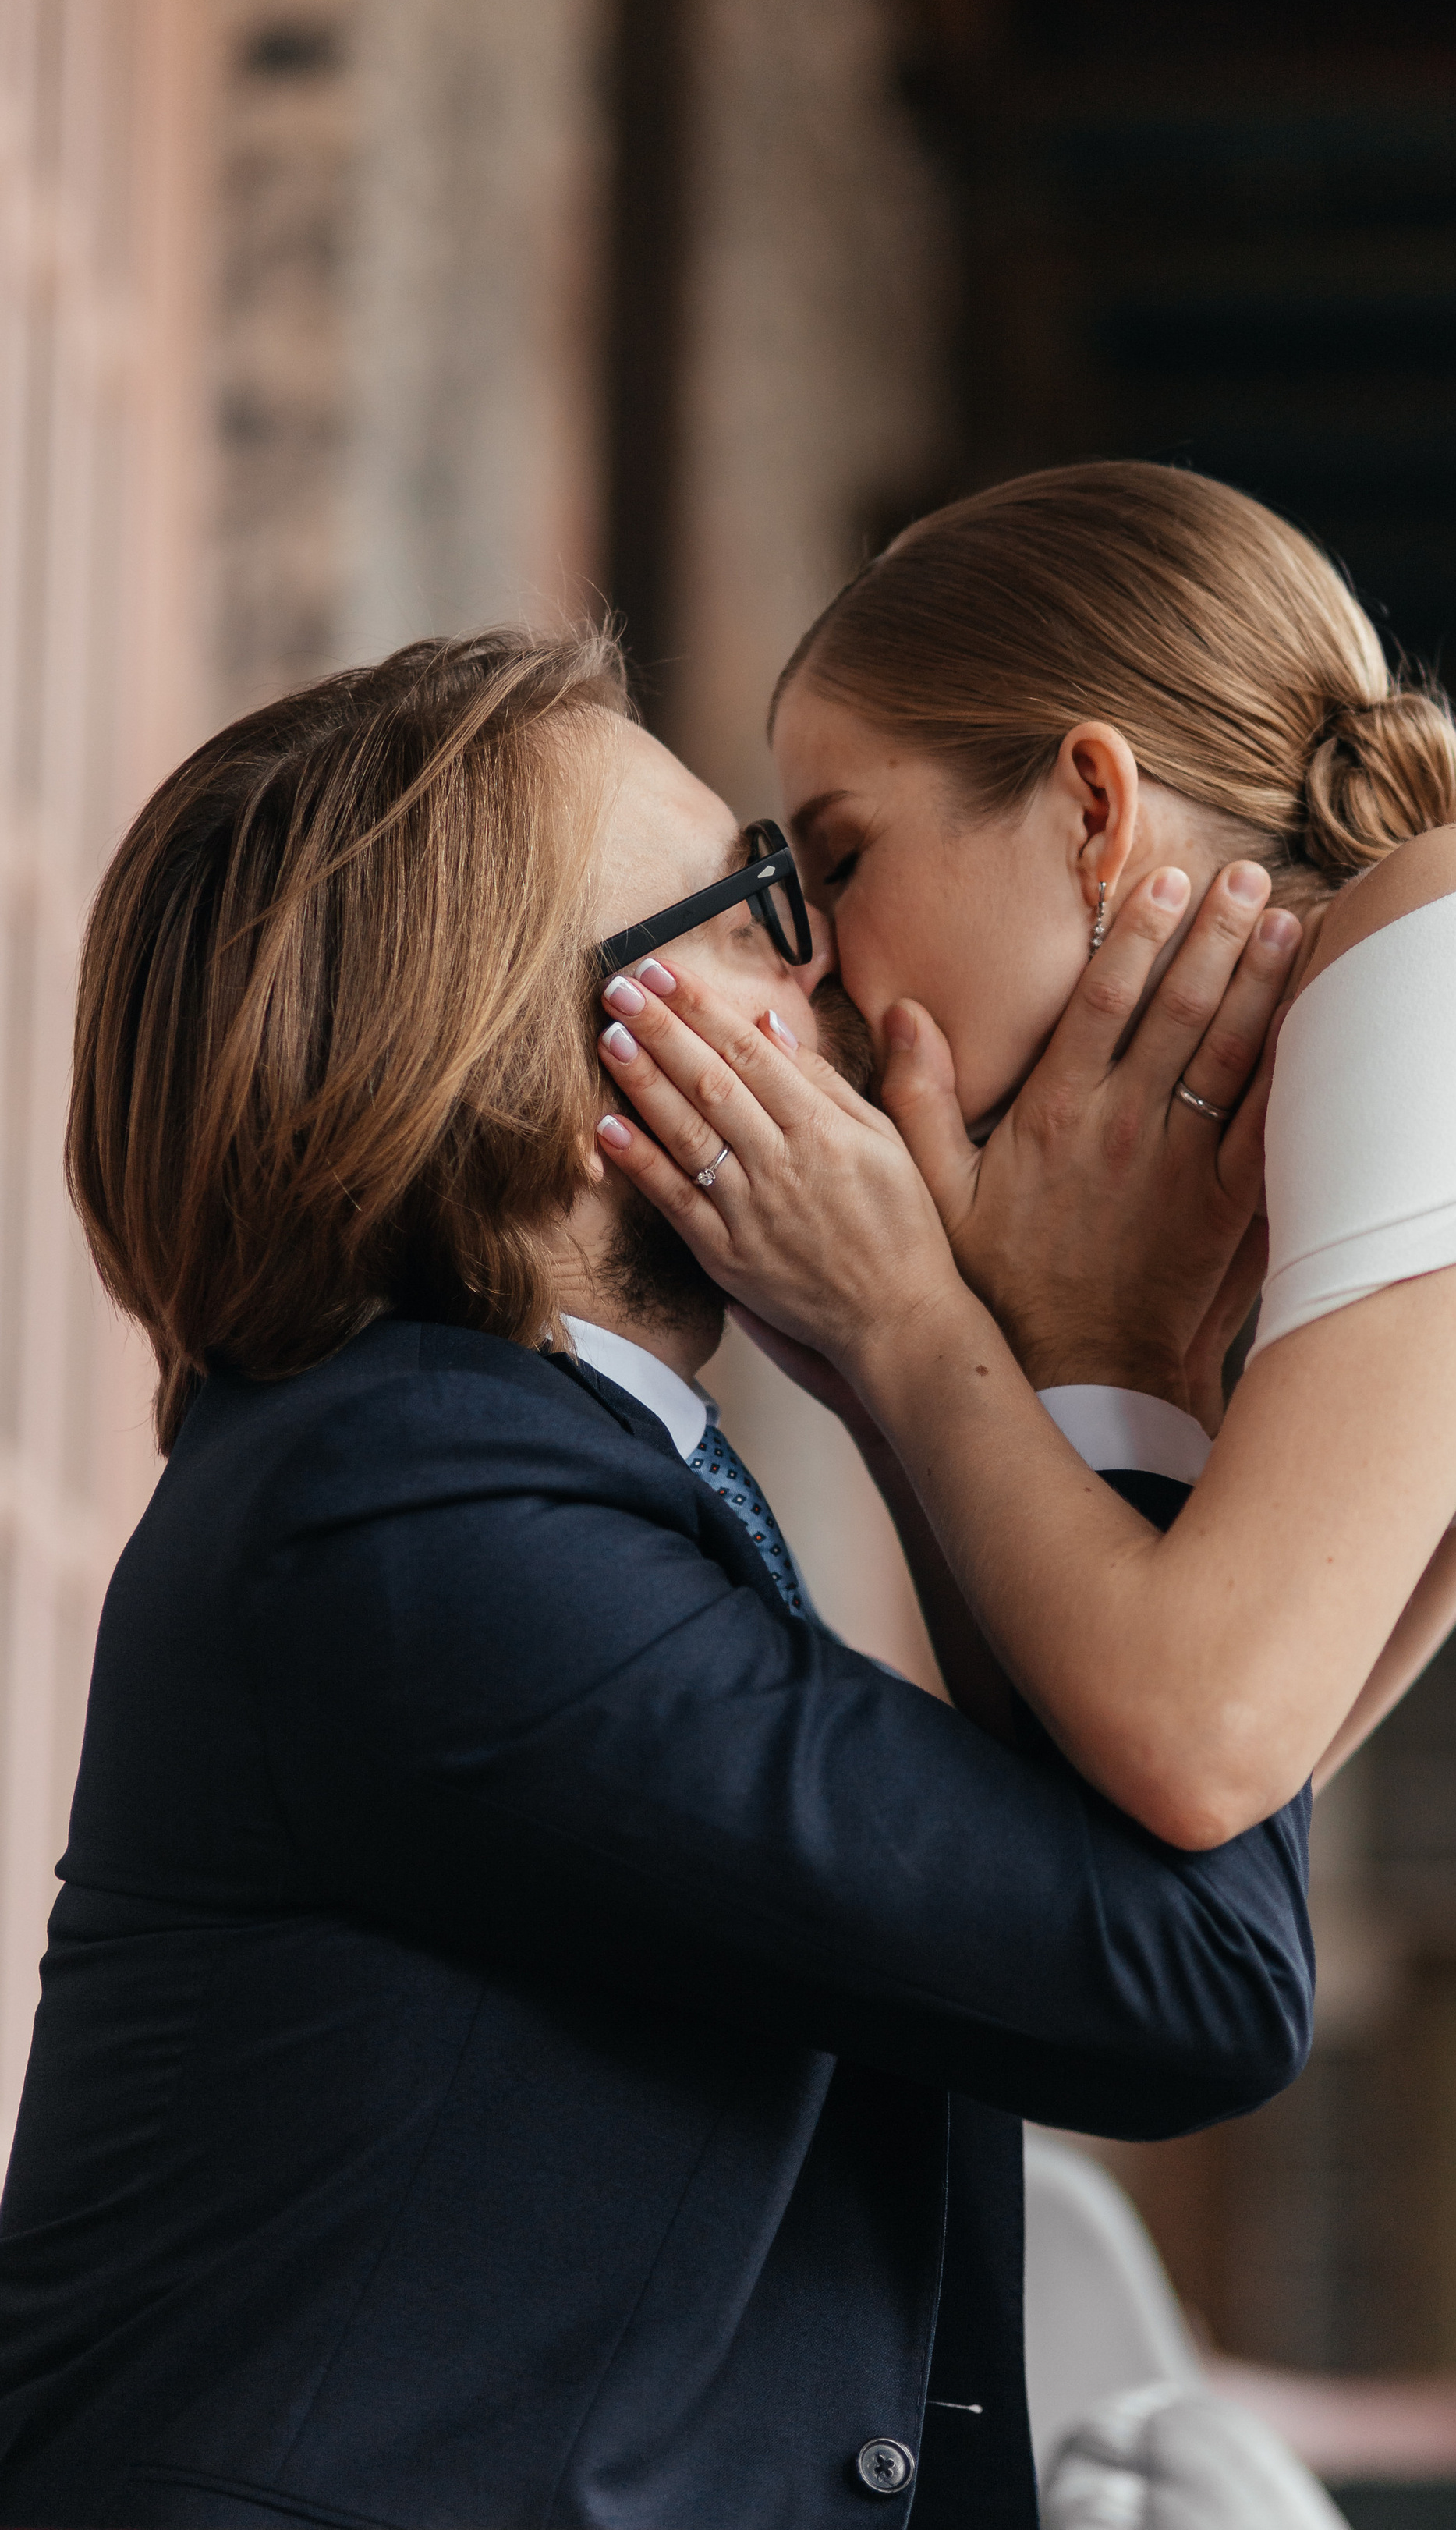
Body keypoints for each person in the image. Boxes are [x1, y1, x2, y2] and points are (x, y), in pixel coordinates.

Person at [0, 625, 1316, 2530]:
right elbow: (1176, 1974)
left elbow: (1101, 1869)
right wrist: (1030, 1344)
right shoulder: (407, 1510)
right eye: (752, 904)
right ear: (505, 1065)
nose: (836, 970)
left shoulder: (513, 1473)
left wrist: (936, 1355)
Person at [588, 459, 1456, 1861]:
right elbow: (1118, 1857)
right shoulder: (1390, 1209)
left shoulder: (1443, 954)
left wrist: (908, 1323)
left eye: (840, 861)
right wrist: (900, 1376)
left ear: (1093, 806)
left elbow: (1204, 1743)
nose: (819, 953)